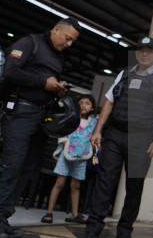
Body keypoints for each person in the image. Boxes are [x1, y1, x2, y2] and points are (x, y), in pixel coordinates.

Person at [0, 18, 81, 238]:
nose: (69, 44)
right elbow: (10, 71)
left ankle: (3, 218)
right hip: (19, 113)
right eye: (67, 38)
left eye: (73, 41)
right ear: (56, 29)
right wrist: (42, 82)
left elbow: (46, 81)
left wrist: (56, 88)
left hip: (41, 117)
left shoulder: (58, 56)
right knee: (12, 166)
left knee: (28, 169)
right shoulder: (30, 43)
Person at [84, 36, 153, 238]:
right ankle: (93, 229)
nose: (144, 54)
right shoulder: (124, 75)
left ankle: (124, 231)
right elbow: (109, 102)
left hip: (142, 138)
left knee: (134, 186)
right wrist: (98, 130)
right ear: (136, 54)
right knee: (105, 182)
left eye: (149, 51)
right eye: (141, 50)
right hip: (115, 134)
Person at [42, 94, 98, 224]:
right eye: (81, 103)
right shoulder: (70, 118)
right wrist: (63, 142)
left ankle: (75, 214)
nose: (83, 105)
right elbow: (61, 132)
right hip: (66, 155)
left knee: (76, 186)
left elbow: (95, 136)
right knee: (59, 183)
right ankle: (49, 212)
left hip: (82, 157)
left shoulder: (94, 123)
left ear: (92, 108)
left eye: (87, 103)